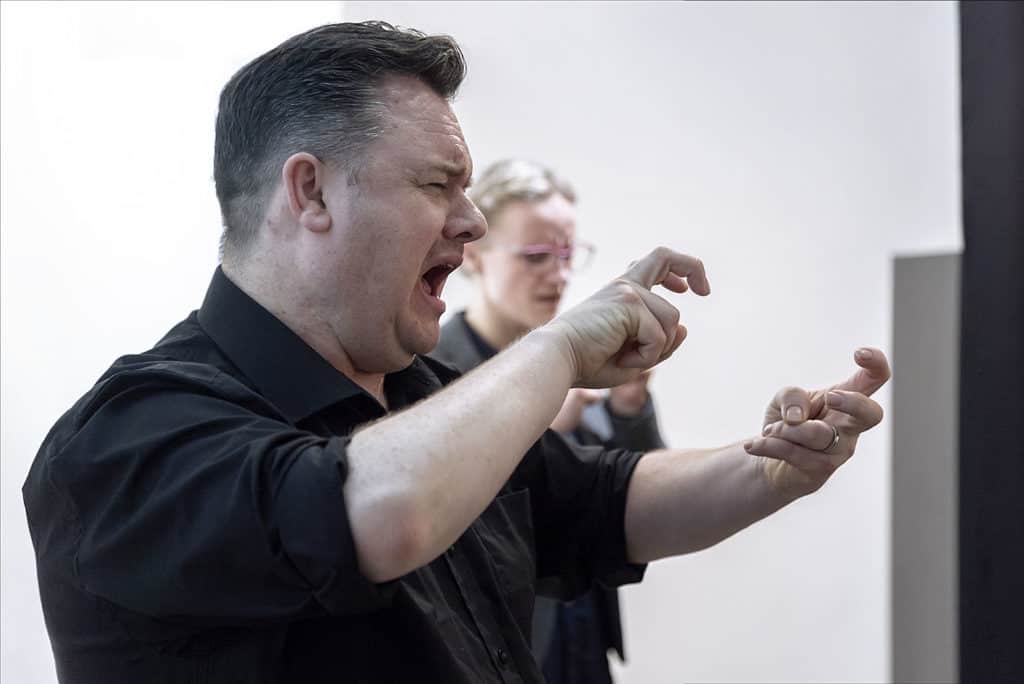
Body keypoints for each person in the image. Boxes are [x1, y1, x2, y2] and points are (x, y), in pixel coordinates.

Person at [22, 21, 890, 684]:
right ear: (310, 190)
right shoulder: (126, 439)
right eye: (438, 184)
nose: (471, 223)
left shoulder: (420, 391)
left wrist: (772, 468)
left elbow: (604, 502)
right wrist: (557, 348)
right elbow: (373, 513)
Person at [431, 159, 665, 684]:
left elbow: (641, 487)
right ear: (473, 256)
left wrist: (630, 410)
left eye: (566, 254)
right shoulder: (436, 375)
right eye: (536, 256)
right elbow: (438, 532)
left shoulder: (586, 354)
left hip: (582, 632)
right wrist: (536, 428)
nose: (558, 275)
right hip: (496, 645)